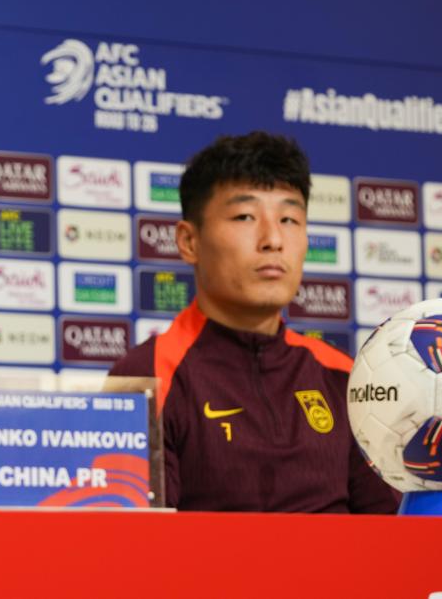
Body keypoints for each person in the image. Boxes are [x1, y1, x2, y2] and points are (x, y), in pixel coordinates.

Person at [109, 132, 399, 513]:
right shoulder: (146, 377)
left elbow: (394, 533)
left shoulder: (344, 378)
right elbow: (133, 542)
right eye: (245, 216)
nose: (273, 239)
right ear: (189, 241)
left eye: (290, 219)